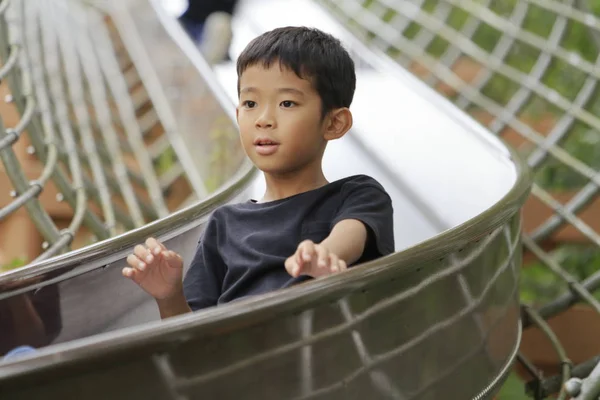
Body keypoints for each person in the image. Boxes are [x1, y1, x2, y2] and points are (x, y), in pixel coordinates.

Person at [123, 26, 395, 319]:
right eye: (250, 104)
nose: (264, 119)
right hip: (240, 356)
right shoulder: (224, 224)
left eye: (287, 103)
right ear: (238, 115)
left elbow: (351, 234)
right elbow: (192, 338)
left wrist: (326, 254)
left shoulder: (356, 195)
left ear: (334, 123)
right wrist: (169, 296)